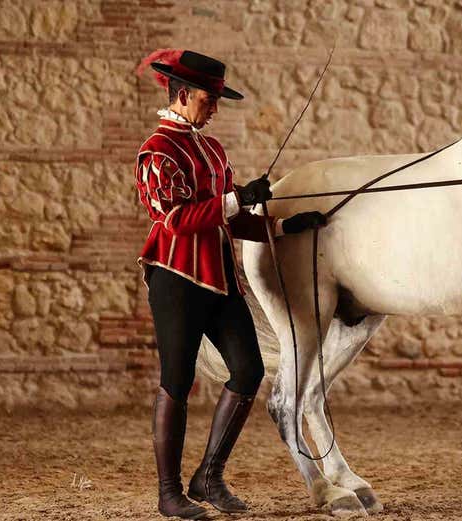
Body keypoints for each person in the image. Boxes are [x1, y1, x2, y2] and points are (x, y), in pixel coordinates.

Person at [134, 49, 326, 520]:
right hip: (176, 279)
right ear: (182, 94)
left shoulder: (213, 149)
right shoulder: (156, 151)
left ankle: (208, 476)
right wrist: (236, 199)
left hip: (220, 280)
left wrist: (283, 228)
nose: (214, 107)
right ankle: (168, 492)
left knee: (248, 371)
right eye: (209, 98)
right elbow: (175, 221)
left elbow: (228, 219)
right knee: (176, 382)